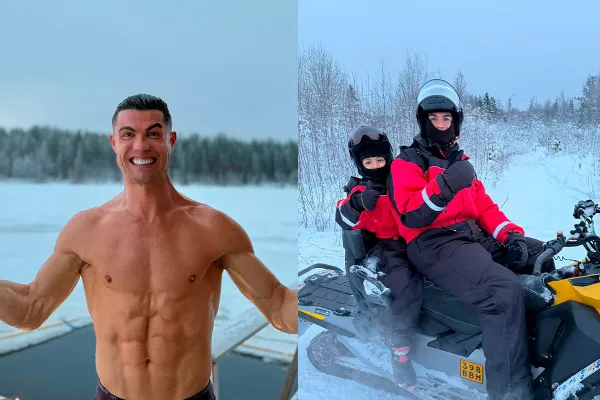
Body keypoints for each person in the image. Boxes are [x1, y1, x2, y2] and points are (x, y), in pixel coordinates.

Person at [0, 94, 298, 400]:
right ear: (114, 143)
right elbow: (29, 310)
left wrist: (332, 298)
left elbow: (278, 306)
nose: (141, 146)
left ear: (171, 140)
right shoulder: (86, 231)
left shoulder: (214, 229)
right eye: (128, 134)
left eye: (153, 134)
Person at [386, 79, 555, 400]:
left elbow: (485, 208)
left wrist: (511, 236)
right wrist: (447, 184)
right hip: (432, 242)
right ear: (423, 121)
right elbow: (412, 214)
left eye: (446, 119)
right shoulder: (406, 163)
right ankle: (509, 389)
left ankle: (536, 345)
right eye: (433, 119)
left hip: (469, 236)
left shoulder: (458, 163)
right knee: (501, 290)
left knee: (539, 254)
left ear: (455, 121)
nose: (440, 125)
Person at [335, 125, 424, 390]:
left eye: (380, 160)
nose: (375, 166)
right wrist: (357, 203)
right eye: (368, 161)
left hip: (415, 240)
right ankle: (398, 347)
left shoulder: (400, 180)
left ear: (389, 157)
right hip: (384, 248)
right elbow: (342, 217)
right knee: (407, 284)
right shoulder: (359, 190)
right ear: (360, 164)